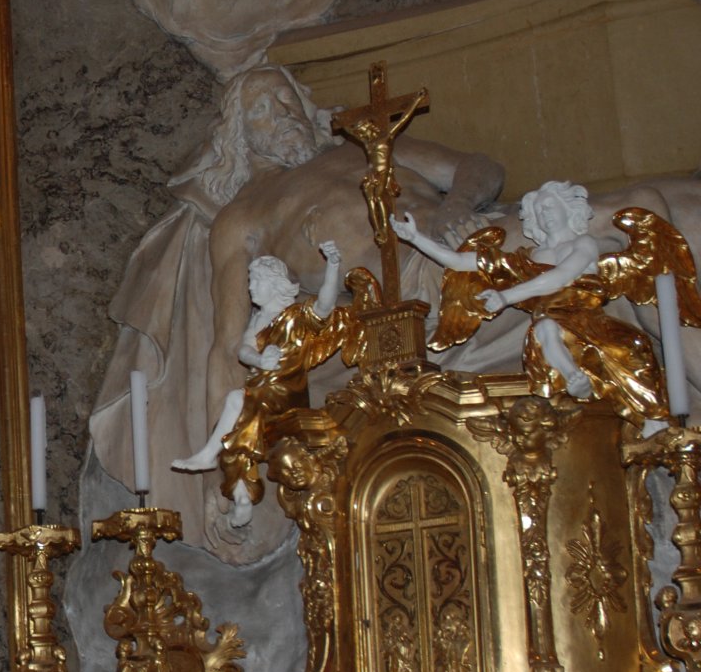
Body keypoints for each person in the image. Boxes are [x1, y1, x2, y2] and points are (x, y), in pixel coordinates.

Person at [90, 64, 504, 561]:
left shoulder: (364, 150)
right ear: (240, 136)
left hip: (464, 249)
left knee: (583, 244)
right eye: (262, 110)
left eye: (286, 99)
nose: (282, 113)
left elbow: (480, 168)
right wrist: (225, 474)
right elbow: (227, 350)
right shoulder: (243, 217)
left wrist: (457, 207)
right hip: (384, 310)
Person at [395, 180, 672, 424]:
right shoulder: (528, 259)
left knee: (631, 348)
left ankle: (653, 419)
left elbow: (560, 277)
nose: (544, 214)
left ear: (568, 209)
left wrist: (506, 296)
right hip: (551, 324)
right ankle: (573, 377)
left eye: (549, 207)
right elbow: (459, 261)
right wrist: (415, 238)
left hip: (589, 322)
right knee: (544, 329)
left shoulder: (583, 244)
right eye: (538, 211)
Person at [173, 240, 353, 528]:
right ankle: (241, 497)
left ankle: (208, 454)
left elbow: (325, 305)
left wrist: (333, 265)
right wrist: (259, 359)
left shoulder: (296, 316)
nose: (250, 288)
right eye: (250, 282)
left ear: (274, 283)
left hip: (287, 394)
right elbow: (243, 350)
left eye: (256, 281)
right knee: (234, 423)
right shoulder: (258, 319)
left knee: (237, 401)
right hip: (260, 392)